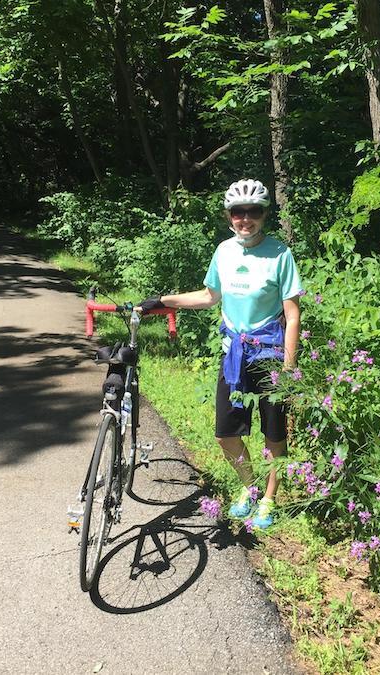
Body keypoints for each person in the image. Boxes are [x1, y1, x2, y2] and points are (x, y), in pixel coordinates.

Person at [139, 179, 303, 530]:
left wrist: (288, 370)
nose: (246, 219)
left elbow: (292, 316)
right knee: (225, 433)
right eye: (238, 212)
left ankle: (270, 500)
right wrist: (164, 301)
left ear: (264, 214)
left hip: (270, 354)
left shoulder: (280, 254)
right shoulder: (224, 251)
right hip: (234, 354)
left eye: (253, 211)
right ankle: (251, 487)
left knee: (274, 434)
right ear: (229, 216)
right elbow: (209, 296)